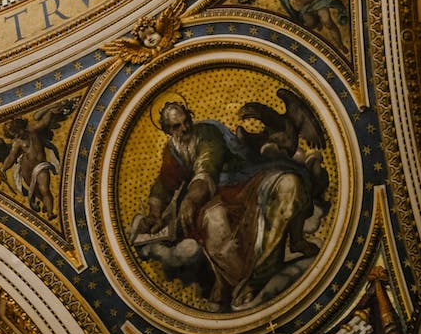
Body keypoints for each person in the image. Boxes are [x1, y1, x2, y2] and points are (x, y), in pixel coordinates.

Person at [131, 101, 322, 311]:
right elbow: (165, 182)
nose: (185, 128)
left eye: (187, 121)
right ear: (168, 130)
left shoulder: (207, 133)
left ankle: (266, 270)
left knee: (290, 183)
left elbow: (207, 166)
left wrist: (191, 199)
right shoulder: (173, 149)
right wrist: (155, 214)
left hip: (248, 179)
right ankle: (233, 281)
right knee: (212, 222)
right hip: (219, 194)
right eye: (177, 126)